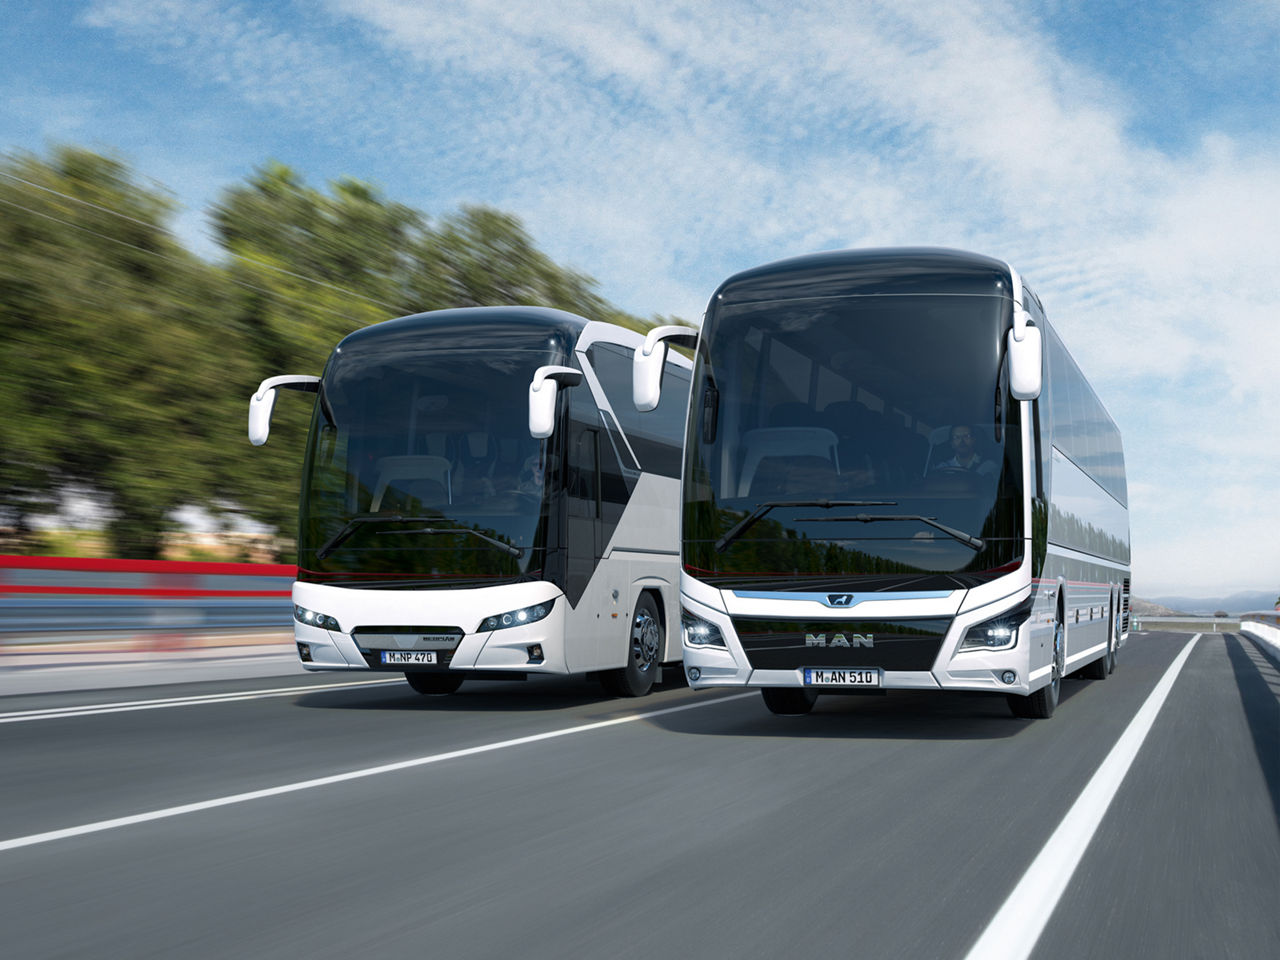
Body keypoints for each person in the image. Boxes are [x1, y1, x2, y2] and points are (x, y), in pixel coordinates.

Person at [934, 424, 998, 477]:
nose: (962, 441)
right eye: (956, 437)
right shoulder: (942, 468)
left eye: (967, 436)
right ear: (952, 444)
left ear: (973, 440)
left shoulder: (988, 466)